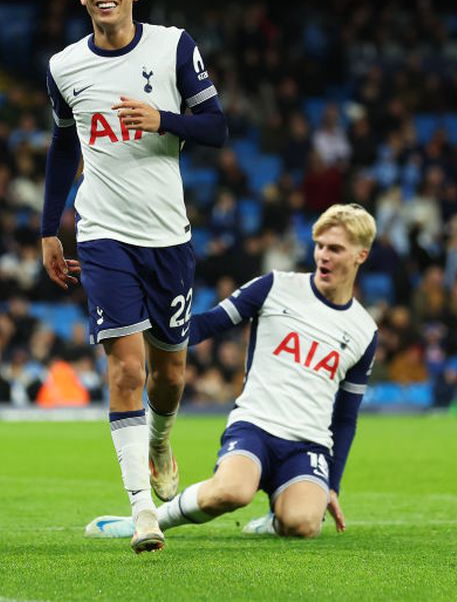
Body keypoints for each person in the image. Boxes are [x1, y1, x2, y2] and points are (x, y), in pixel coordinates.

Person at [41, 0, 228, 552]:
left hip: (167, 237)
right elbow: (64, 145)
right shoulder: (64, 66)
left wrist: (163, 120)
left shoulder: (173, 47)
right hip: (102, 235)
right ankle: (143, 511)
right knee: (125, 367)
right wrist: (50, 226)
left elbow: (218, 128)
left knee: (169, 373)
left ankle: (159, 439)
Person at [85, 203, 379, 542]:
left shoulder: (364, 331)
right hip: (255, 426)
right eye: (320, 246)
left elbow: (345, 418)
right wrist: (142, 325)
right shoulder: (275, 287)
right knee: (231, 493)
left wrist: (333, 485)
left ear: (361, 255)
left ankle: (274, 519)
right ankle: (145, 519)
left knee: (302, 525)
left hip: (309, 444)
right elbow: (207, 324)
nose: (323, 256)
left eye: (336, 249)